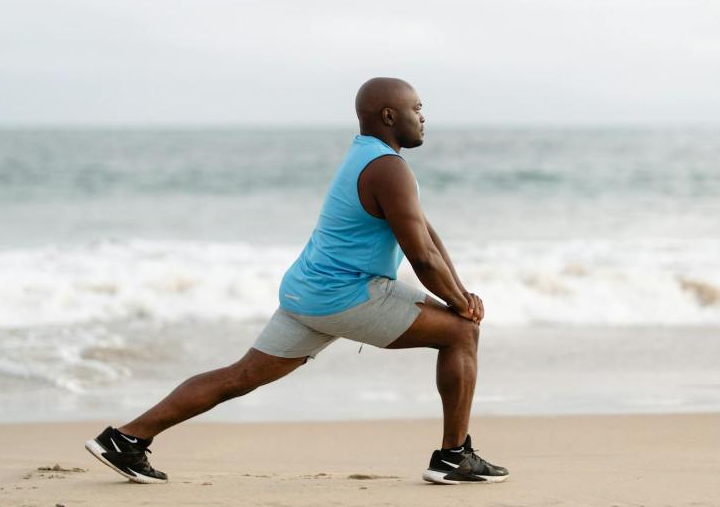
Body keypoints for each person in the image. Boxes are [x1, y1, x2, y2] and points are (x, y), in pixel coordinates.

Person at [85, 77, 509, 485]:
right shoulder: (387, 168)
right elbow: (421, 255)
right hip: (346, 296)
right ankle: (454, 456)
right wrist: (460, 305)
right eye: (416, 108)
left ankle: (126, 439)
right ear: (388, 115)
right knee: (460, 335)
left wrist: (460, 291)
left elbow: (426, 234)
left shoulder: (368, 155)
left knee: (241, 375)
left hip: (307, 292)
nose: (422, 117)